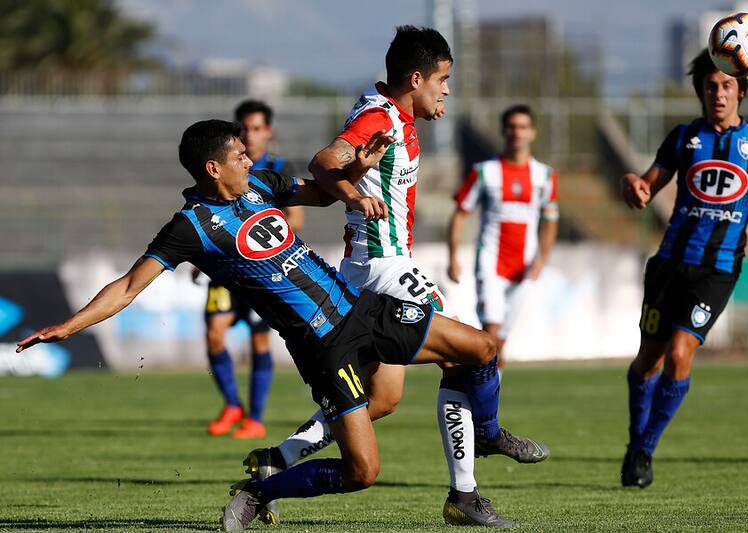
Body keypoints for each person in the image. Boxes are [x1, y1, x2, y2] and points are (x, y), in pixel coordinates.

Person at [16, 119, 511, 531]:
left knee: (481, 348)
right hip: (323, 347)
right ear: (213, 168)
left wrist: (356, 172)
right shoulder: (190, 227)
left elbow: (322, 195)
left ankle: (486, 435)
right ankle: (259, 492)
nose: (249, 161)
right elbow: (127, 286)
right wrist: (69, 325)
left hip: (361, 308)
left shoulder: (262, 184)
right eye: (239, 156)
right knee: (362, 472)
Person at [242, 26, 547, 528]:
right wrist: (355, 196)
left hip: (370, 269)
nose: (447, 89)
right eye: (442, 80)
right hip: (384, 267)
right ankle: (471, 477)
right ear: (416, 79)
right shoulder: (378, 116)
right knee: (470, 353)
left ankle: (279, 460)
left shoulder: (395, 114)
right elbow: (324, 162)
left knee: (382, 398)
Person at [618, 50, 748, 488]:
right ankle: (635, 439)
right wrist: (631, 185)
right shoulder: (684, 138)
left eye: (727, 85)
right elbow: (646, 184)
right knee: (648, 361)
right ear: (700, 91)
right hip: (669, 265)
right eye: (710, 86)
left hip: (717, 270)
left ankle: (645, 449)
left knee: (680, 353)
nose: (718, 93)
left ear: (741, 91)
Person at [201, 100, 304, 439]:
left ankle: (255, 419)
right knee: (214, 333)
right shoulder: (221, 167)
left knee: (260, 341)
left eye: (257, 128)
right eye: (244, 128)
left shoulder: (277, 168)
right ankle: (232, 404)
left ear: (268, 131)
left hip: (262, 272)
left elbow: (296, 218)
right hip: (226, 269)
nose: (250, 135)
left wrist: (264, 239)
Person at [447, 104, 559, 366]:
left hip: (525, 265)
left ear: (532, 132)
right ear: (503, 131)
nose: (517, 133)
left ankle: (490, 387)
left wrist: (542, 259)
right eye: (512, 127)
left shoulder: (544, 176)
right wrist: (452, 256)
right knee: (490, 334)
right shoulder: (485, 172)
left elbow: (550, 220)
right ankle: (482, 392)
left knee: (499, 344)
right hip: (491, 260)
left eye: (523, 127)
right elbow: (460, 213)